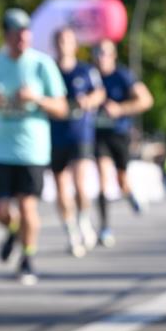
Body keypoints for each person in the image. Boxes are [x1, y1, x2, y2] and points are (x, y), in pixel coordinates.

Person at [0, 9, 67, 284]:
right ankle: (15, 231)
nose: (22, 39)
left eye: (26, 34)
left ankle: (27, 258)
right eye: (16, 35)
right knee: (0, 211)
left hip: (32, 149)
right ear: (6, 36)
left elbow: (62, 108)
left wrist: (36, 98)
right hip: (1, 149)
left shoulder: (42, 65)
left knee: (28, 207)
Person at [50, 26, 106, 256]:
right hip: (56, 135)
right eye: (61, 40)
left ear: (75, 45)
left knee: (81, 184)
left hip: (80, 133)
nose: (64, 44)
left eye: (68, 40)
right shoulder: (50, 70)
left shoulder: (85, 71)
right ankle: (71, 231)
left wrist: (89, 101)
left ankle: (84, 221)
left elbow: (100, 93)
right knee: (61, 189)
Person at [92, 39, 154, 247]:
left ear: (113, 55)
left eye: (105, 53)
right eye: (98, 52)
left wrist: (120, 109)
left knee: (121, 181)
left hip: (119, 133)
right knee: (101, 177)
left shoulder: (123, 76)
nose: (101, 57)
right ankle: (104, 227)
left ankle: (129, 194)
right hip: (97, 134)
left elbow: (146, 100)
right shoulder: (91, 77)